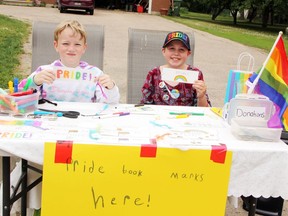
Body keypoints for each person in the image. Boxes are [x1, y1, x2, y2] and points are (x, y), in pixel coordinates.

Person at [19, 20, 120, 104]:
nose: (71, 49)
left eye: (77, 44)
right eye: (66, 43)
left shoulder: (95, 74)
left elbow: (112, 103)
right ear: (56, 45)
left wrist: (110, 87)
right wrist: (34, 81)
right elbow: (21, 96)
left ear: (84, 48)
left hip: (84, 121)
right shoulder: (44, 71)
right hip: (50, 120)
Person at [140, 31, 211, 107]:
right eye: (172, 48)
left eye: (181, 50)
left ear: (188, 53)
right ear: (163, 51)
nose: (176, 53)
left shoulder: (195, 74)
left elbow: (205, 110)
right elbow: (145, 105)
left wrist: (201, 96)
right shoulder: (154, 74)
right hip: (159, 117)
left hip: (186, 117)